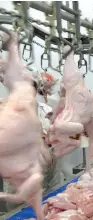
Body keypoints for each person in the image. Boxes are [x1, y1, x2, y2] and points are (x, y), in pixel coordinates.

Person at [5, 80, 61, 211]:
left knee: (53, 206)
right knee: (19, 211)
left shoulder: (47, 110)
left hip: (50, 170)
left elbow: (57, 135)